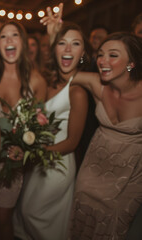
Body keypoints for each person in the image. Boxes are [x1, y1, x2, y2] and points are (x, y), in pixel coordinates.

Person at [14, 4, 89, 239]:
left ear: (83, 53)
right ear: (54, 49)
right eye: (62, 43)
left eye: (75, 43)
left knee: (32, 213)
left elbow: (73, 142)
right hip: (37, 163)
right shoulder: (47, 81)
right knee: (23, 216)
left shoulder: (78, 91)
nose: (68, 49)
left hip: (58, 163)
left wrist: (38, 152)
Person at [0, 21, 47, 240]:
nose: (10, 40)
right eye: (4, 36)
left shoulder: (36, 80)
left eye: (15, 35)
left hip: (12, 163)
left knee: (3, 220)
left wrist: (26, 150)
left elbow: (38, 125)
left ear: (22, 43)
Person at [69, 32, 142, 240]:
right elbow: (64, 73)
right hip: (93, 167)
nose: (103, 61)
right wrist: (66, 43)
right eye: (100, 55)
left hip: (129, 176)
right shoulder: (96, 83)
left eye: (113, 55)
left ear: (131, 63)